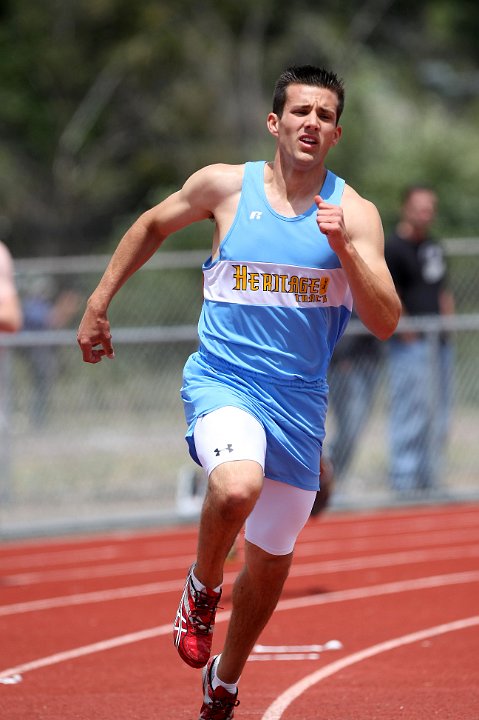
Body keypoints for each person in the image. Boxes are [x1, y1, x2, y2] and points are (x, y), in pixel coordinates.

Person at [77, 65, 400, 719]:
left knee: (271, 563)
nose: (313, 122)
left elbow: (386, 319)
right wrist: (98, 303)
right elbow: (149, 225)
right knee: (234, 487)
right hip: (224, 382)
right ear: (274, 122)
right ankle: (201, 585)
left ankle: (224, 679)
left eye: (325, 116)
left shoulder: (353, 212)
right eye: (301, 111)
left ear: (336, 134)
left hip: (299, 404)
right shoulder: (225, 186)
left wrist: (343, 248)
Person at [385, 185, 454, 496]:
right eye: (420, 207)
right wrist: (408, 333)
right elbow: (390, 293)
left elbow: (442, 289)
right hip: (410, 346)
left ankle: (429, 478)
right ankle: (404, 479)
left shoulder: (433, 247)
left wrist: (448, 329)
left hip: (439, 344)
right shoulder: (393, 247)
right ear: (406, 208)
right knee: (410, 411)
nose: (426, 213)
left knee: (439, 413)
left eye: (430, 207)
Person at [326, 310, 382, 484]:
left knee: (358, 425)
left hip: (368, 358)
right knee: (350, 426)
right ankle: (328, 472)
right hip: (344, 362)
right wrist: (341, 352)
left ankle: (335, 476)